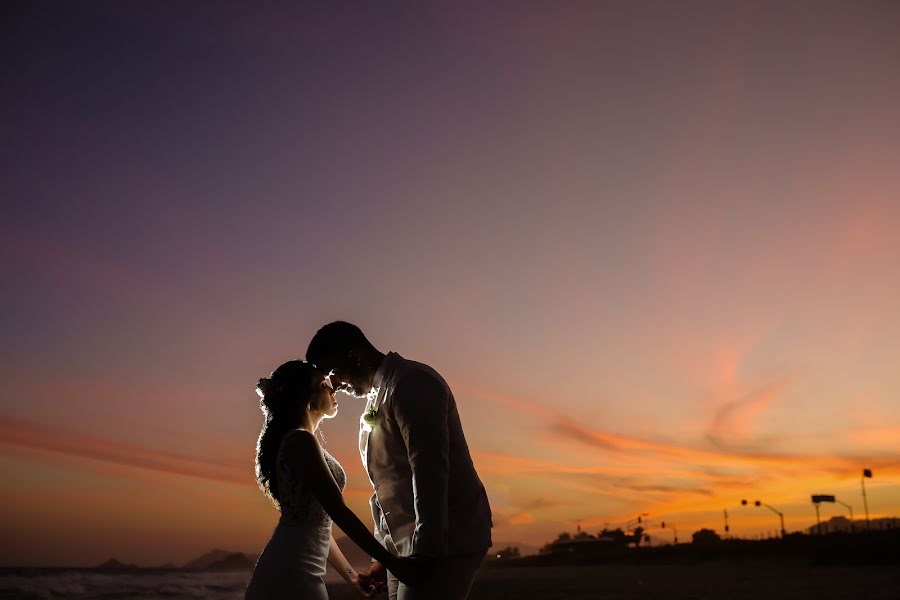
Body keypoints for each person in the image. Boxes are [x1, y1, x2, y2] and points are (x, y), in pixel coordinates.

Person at [307, 322, 493, 600]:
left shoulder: (413, 383)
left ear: (353, 355)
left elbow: (429, 469)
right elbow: (386, 486)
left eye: (334, 372)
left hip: (446, 541)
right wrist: (384, 553)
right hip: (403, 546)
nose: (335, 385)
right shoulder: (375, 397)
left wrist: (426, 552)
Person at [245, 360, 420, 600]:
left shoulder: (303, 440)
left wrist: (351, 577)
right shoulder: (300, 441)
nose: (332, 388)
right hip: (291, 571)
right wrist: (392, 563)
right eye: (323, 384)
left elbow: (318, 526)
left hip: (298, 565)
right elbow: (339, 513)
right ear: (306, 397)